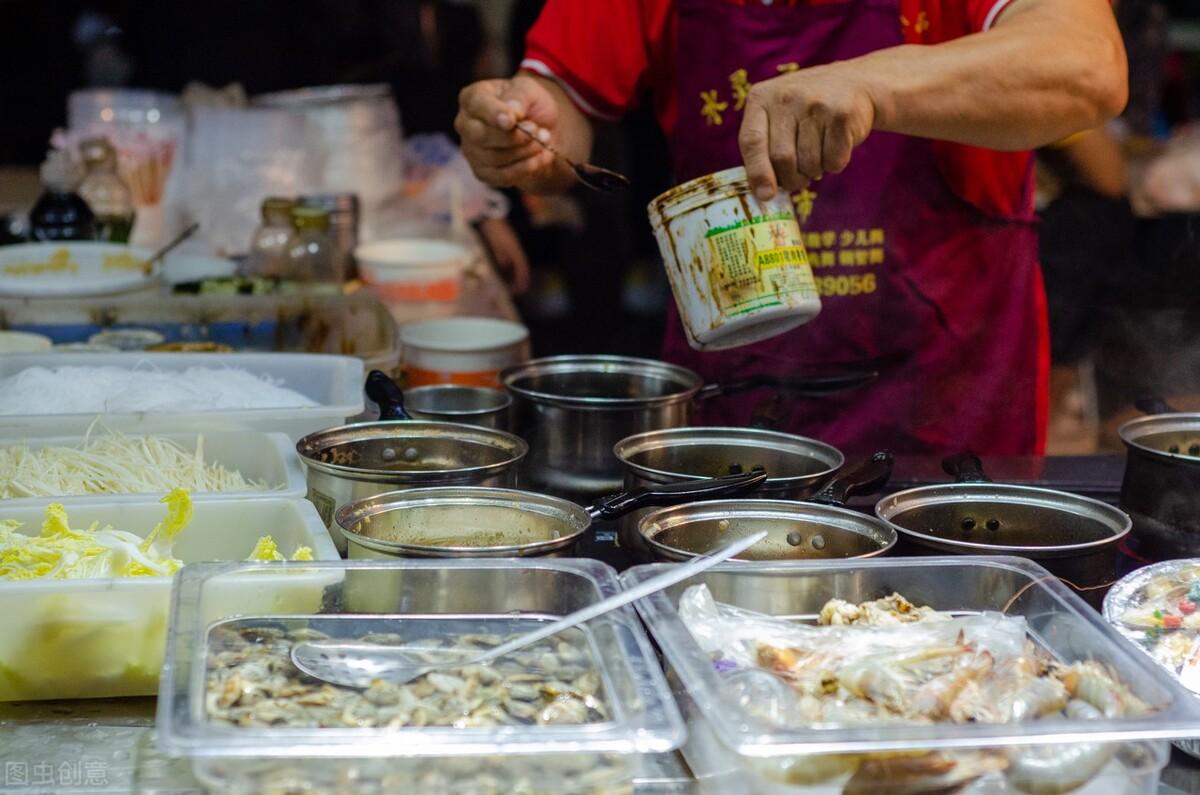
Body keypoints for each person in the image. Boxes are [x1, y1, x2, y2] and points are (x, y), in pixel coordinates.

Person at [455, 0, 1128, 455]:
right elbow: (563, 102)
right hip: (735, 405)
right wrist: (526, 130)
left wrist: (872, 86)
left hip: (946, 417)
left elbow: (1087, 65)